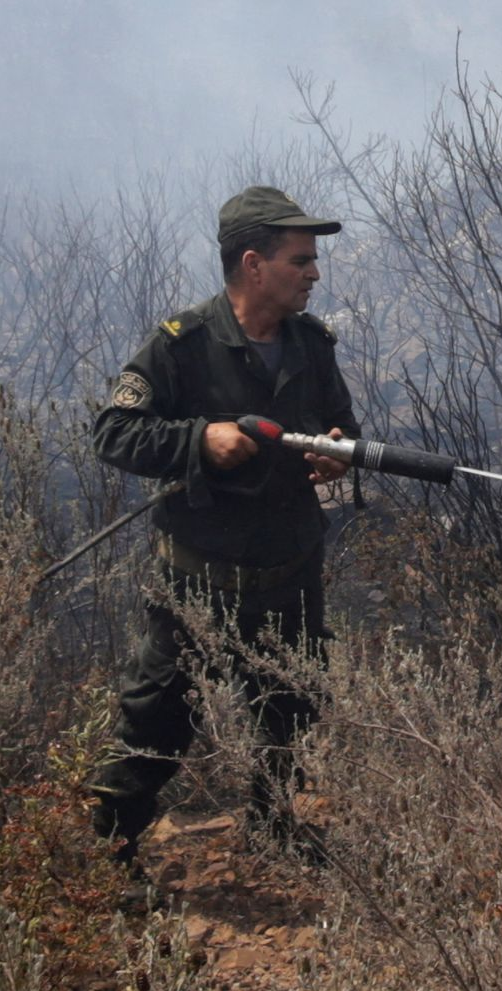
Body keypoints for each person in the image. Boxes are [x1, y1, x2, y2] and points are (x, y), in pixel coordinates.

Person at [84, 185, 358, 866]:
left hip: (289, 574)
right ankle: (109, 856)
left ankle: (273, 826)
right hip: (197, 582)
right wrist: (199, 441)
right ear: (253, 263)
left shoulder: (312, 345)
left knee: (290, 706)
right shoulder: (182, 345)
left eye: (313, 260)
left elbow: (342, 428)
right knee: (157, 719)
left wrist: (333, 451)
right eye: (301, 260)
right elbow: (114, 434)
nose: (314, 273)